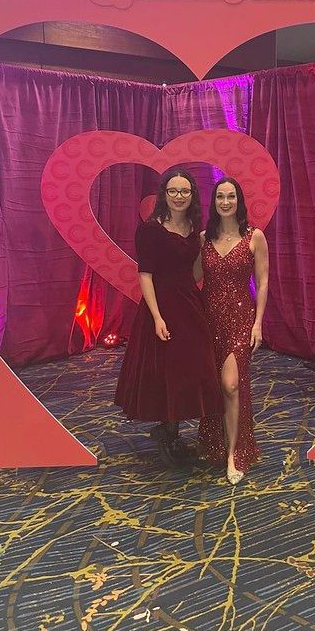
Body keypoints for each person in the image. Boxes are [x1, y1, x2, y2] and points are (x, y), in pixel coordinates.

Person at [115, 169, 223, 466]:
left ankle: (171, 430)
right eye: (173, 191)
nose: (179, 197)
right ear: (164, 194)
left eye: (185, 191)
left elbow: (194, 273)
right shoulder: (151, 229)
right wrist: (157, 316)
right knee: (165, 369)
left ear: (192, 196)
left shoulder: (194, 228)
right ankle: (168, 431)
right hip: (160, 306)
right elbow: (145, 274)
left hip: (189, 303)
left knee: (192, 367)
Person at [196, 177, 269, 484]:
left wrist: (258, 322)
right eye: (220, 197)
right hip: (207, 319)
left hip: (240, 318)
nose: (225, 202)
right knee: (215, 387)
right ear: (213, 203)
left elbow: (263, 281)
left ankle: (233, 453)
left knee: (231, 385)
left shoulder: (254, 237)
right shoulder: (204, 238)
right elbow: (192, 276)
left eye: (231, 197)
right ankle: (217, 442)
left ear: (239, 201)